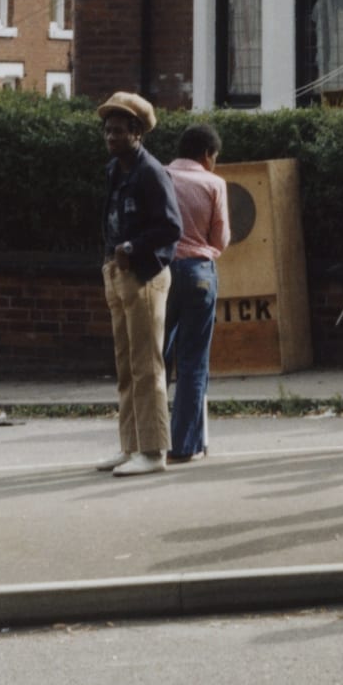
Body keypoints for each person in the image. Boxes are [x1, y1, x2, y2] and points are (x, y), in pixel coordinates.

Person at [95, 93, 184, 475]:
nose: (110, 137)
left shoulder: (151, 172)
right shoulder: (115, 171)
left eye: (119, 131)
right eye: (107, 130)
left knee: (147, 365)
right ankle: (130, 445)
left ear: (138, 133)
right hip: (117, 273)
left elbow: (171, 226)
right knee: (126, 365)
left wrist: (133, 247)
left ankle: (153, 450)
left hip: (146, 275)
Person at [163, 124, 231, 463]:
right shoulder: (214, 183)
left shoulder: (160, 176)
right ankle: (185, 445)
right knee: (192, 362)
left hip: (159, 271)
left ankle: (149, 439)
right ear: (207, 154)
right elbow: (220, 239)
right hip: (198, 273)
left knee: (154, 357)